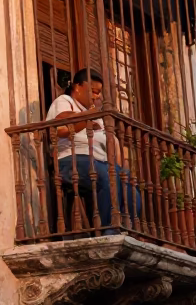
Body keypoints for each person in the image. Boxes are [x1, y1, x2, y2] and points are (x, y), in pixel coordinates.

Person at [45, 69, 140, 235]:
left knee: (128, 183)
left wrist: (119, 166)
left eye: (99, 93)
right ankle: (109, 230)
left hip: (99, 162)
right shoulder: (65, 100)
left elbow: (113, 143)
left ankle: (126, 228)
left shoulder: (96, 116)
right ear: (78, 87)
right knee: (105, 174)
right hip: (70, 160)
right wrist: (88, 116)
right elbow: (60, 127)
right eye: (93, 91)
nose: (97, 96)